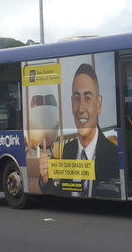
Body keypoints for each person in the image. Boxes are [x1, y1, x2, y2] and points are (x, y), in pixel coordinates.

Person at [40, 62, 119, 196]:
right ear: (72, 103)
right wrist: (46, 180)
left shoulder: (113, 154)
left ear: (98, 104)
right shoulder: (68, 150)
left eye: (87, 98)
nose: (81, 109)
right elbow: (62, 194)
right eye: (77, 98)